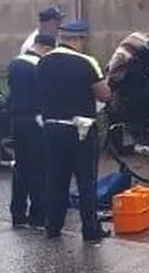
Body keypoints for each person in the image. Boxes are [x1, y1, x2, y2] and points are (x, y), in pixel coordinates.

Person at [35, 18, 111, 242]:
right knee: (86, 179)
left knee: (56, 178)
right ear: (81, 38)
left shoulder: (43, 61)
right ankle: (90, 229)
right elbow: (103, 94)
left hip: (51, 127)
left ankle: (53, 226)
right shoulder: (86, 61)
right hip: (81, 130)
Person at [6, 31, 53, 228]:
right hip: (36, 120)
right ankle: (37, 215)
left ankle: (17, 213)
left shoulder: (14, 63)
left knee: (21, 167)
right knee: (39, 169)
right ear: (46, 48)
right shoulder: (40, 66)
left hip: (17, 120)